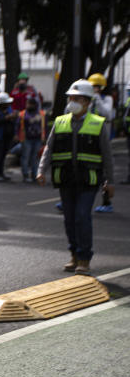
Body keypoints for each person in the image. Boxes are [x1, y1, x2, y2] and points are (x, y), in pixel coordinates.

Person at [37, 79, 114, 276]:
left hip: (89, 180)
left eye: (77, 98)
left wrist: (110, 181)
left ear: (87, 102)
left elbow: (107, 155)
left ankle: (84, 259)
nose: (73, 101)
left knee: (82, 216)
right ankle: (73, 254)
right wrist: (41, 170)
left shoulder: (98, 124)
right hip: (66, 179)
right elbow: (49, 148)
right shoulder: (61, 122)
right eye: (71, 98)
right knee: (69, 219)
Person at [87, 73, 115, 213]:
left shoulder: (107, 99)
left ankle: (106, 201)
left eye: (96, 87)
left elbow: (108, 114)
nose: (94, 89)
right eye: (92, 87)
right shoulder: (88, 100)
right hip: (89, 138)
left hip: (103, 137)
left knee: (103, 171)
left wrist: (97, 100)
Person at [0, 92, 18, 181]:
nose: (8, 104)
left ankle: (1, 173)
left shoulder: (9, 109)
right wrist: (7, 117)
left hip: (6, 137)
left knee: (3, 156)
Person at [19, 97, 45, 182]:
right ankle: (25, 175)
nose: (28, 105)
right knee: (25, 157)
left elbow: (44, 126)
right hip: (26, 139)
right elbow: (18, 126)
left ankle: (35, 175)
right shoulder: (23, 114)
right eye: (27, 104)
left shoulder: (41, 113)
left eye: (29, 104)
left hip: (37, 139)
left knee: (35, 158)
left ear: (34, 105)